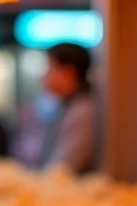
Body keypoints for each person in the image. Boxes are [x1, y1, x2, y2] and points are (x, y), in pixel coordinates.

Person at [40, 42, 100, 174]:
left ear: (68, 73)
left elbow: (64, 169)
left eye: (50, 68)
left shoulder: (82, 111)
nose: (43, 76)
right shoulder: (66, 106)